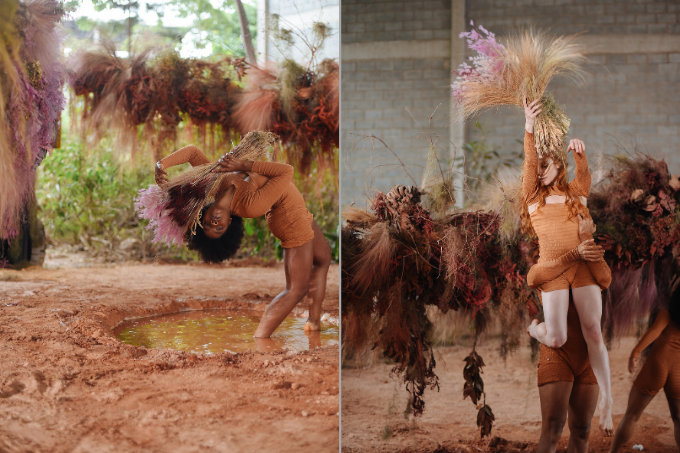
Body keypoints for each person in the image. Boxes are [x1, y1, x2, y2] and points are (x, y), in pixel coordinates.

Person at [152, 140, 331, 339]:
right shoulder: (250, 206)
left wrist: (162, 164)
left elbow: (193, 153)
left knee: (323, 258)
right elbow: (286, 172)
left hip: (299, 208)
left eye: (208, 225)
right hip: (290, 219)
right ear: (229, 223)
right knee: (297, 289)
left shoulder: (213, 183)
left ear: (202, 216)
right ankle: (261, 337)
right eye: (219, 228)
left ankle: (313, 322)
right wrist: (243, 166)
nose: (215, 222)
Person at [521, 97, 614, 434]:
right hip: (554, 269)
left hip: (584, 268)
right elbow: (530, 162)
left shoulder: (577, 193)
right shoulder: (534, 198)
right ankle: (535, 330)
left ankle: (607, 399)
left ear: (558, 165)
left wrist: (579, 153)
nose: (541, 172)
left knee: (593, 330)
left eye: (547, 166)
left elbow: (584, 174)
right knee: (556, 336)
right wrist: (529, 127)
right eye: (539, 168)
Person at [609, 288, 680, 452]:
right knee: (677, 418)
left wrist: (635, 353)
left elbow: (653, 332)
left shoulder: (666, 314)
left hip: (657, 366)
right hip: (678, 372)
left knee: (631, 416)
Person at [536, 292, 601, 453]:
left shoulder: (595, 268)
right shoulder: (546, 268)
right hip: (557, 354)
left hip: (589, 356)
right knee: (553, 430)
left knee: (582, 430)